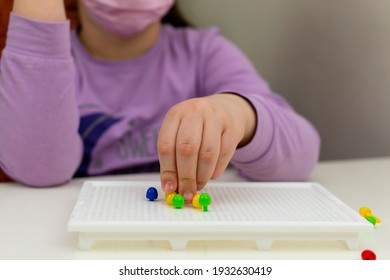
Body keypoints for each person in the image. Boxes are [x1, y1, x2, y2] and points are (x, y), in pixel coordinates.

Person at [0, 0, 320, 203]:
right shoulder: (44, 65)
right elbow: (38, 171)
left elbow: (303, 152)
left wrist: (238, 113)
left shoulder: (204, 52)